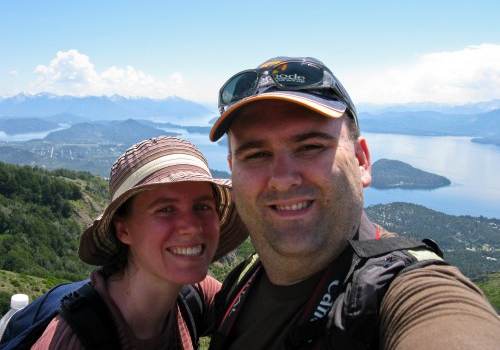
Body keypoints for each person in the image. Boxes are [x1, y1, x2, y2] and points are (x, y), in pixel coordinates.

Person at [207, 57, 500, 349]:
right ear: (233, 170)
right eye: (256, 154)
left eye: (310, 147)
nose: (282, 179)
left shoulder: (407, 291)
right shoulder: (244, 278)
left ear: (361, 162)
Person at [32, 136, 247, 349]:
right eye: (166, 209)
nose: (192, 227)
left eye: (202, 207)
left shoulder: (196, 296)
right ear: (124, 230)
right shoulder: (70, 341)